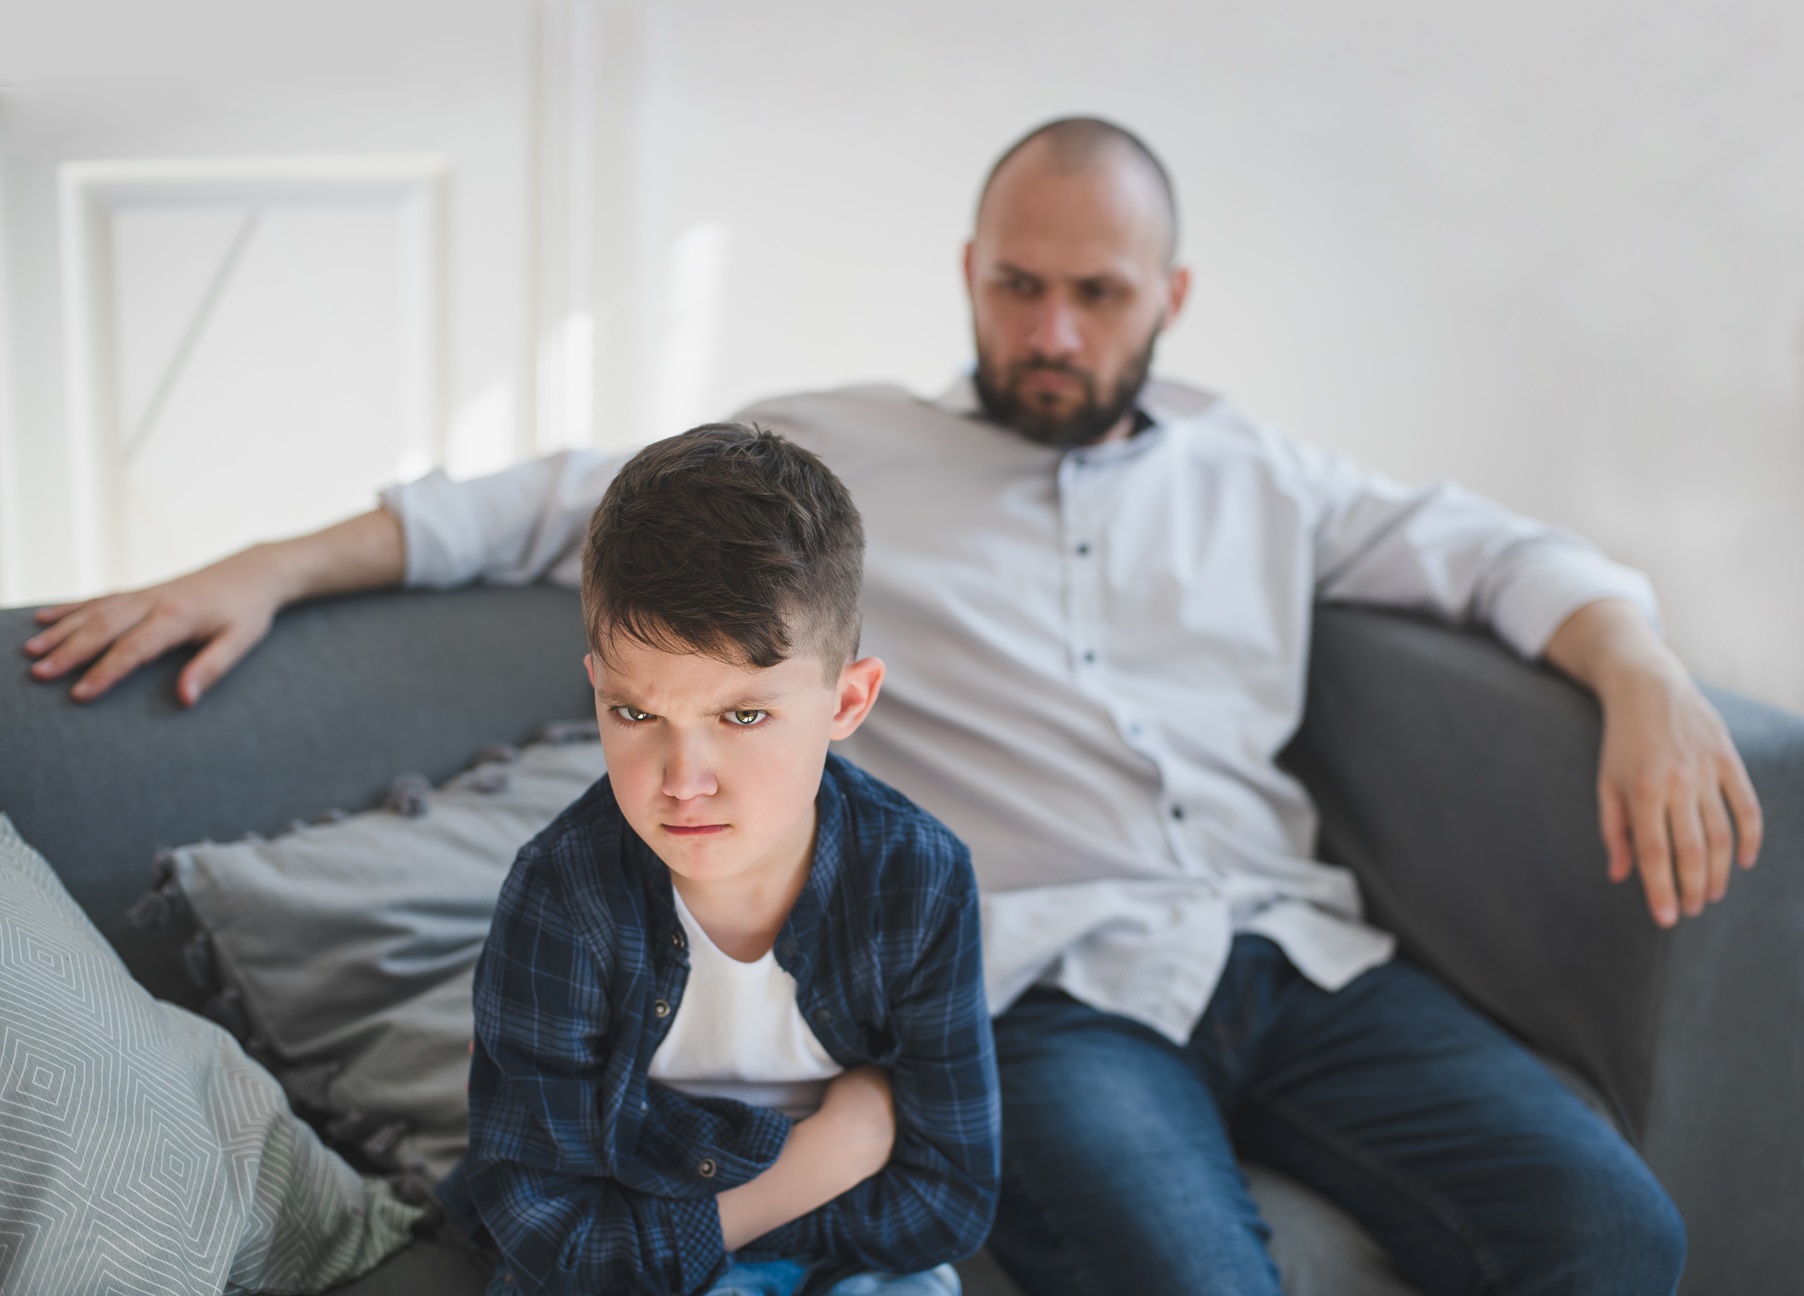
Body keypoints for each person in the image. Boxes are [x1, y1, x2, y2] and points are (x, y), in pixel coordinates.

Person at [25, 118, 1763, 1294]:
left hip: (1289, 958)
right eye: (1018, 284)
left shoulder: (1265, 475)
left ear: (1168, 298)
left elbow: (1495, 559)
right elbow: (547, 498)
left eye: (1095, 292)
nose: (1052, 328)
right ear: (967, 273)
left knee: (1607, 1224)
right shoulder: (836, 457)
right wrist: (267, 563)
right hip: (1046, 992)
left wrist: (1635, 668)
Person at [438, 423, 999, 1296]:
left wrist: (668, 1212)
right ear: (595, 686)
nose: (683, 784)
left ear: (848, 700)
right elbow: (544, 1228)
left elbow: (949, 1200)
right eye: (635, 715)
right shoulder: (562, 894)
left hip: (847, 1266)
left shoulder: (918, 880)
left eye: (743, 717)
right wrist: (820, 1159)